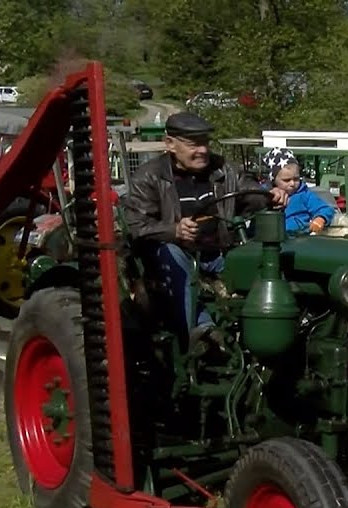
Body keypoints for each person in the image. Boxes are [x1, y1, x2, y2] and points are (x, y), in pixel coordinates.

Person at [121, 112, 288, 347]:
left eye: (205, 142)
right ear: (170, 144)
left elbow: (249, 192)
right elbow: (137, 225)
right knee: (175, 257)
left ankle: (266, 333)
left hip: (219, 250)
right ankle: (203, 333)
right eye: (193, 144)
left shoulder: (224, 170)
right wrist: (174, 230)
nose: (202, 150)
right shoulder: (149, 176)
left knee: (263, 264)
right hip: (173, 255)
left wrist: (271, 196)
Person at [262, 147, 334, 235]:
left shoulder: (305, 194)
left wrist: (320, 218)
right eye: (286, 180)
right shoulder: (265, 196)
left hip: (301, 237)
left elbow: (325, 208)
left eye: (296, 179)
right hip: (272, 238)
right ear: (273, 180)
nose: (292, 183)